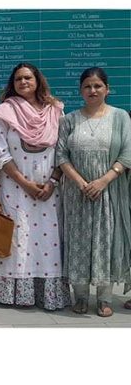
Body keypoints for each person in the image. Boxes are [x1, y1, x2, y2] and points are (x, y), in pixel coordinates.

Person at [0, 62, 70, 310]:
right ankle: (13, 294)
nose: (23, 83)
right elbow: (0, 153)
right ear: (12, 85)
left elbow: (64, 150)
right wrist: (26, 184)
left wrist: (53, 182)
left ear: (38, 81)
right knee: (18, 238)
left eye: (28, 78)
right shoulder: (4, 113)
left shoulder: (55, 111)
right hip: (15, 189)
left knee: (48, 240)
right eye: (18, 79)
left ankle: (48, 295)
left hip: (50, 191)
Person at [56, 67, 131, 317]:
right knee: (78, 243)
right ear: (81, 90)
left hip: (108, 193)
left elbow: (127, 154)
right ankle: (80, 297)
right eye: (87, 86)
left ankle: (105, 298)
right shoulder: (70, 119)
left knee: (105, 242)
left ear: (107, 89)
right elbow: (61, 155)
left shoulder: (120, 117)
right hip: (77, 195)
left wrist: (104, 180)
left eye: (98, 86)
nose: (93, 90)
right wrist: (79, 182)